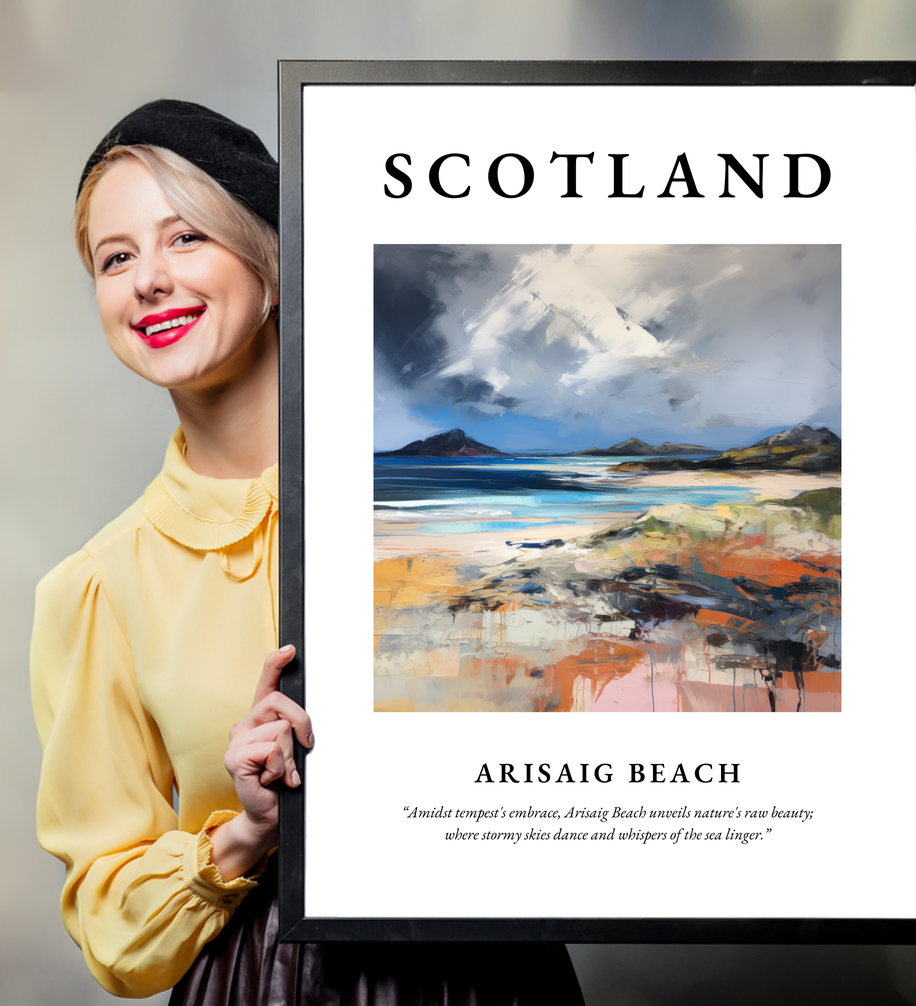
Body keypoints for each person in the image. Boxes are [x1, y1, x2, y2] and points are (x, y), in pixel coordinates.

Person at [30, 100, 585, 1004]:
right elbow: (110, 924)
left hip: (493, 973)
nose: (148, 281)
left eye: (186, 239)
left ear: (274, 265)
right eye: (116, 257)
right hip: (263, 981)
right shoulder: (97, 587)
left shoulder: (447, 509)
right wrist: (245, 832)